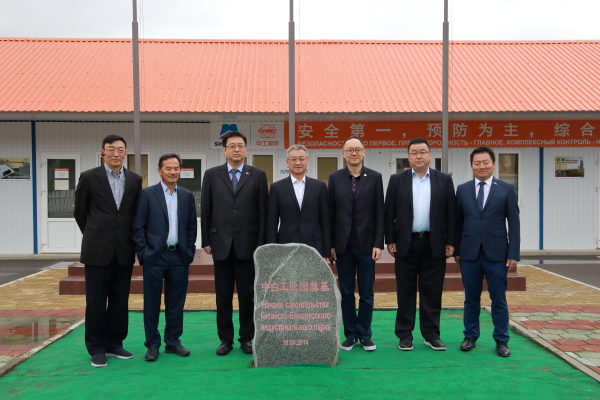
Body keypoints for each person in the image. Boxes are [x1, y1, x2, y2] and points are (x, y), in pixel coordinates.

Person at [74, 134, 142, 368]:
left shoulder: (135, 179)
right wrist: (95, 234)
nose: (116, 153)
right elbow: (80, 212)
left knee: (119, 300)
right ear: (102, 152)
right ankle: (96, 347)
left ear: (126, 153)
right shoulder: (89, 177)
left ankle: (115, 343)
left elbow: (133, 213)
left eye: (120, 150)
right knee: (95, 301)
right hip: (97, 249)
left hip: (123, 249)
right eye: (111, 149)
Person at [384, 137, 457, 351]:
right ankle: (405, 334)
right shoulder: (397, 180)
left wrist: (451, 241)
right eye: (414, 152)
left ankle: (431, 333)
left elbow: (451, 213)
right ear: (408, 156)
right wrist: (390, 239)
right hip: (405, 243)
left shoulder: (444, 180)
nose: (418, 156)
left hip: (435, 243)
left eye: (422, 152)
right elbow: (389, 212)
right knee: (405, 289)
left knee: (432, 290)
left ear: (429, 155)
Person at [201, 131, 268, 356]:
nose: (236, 149)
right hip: (220, 243)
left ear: (246, 150)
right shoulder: (212, 175)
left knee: (247, 296)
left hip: (248, 244)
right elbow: (206, 208)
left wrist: (261, 242)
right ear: (224, 150)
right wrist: (206, 239)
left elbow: (263, 212)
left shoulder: (258, 175)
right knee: (223, 296)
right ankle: (225, 339)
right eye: (232, 146)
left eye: (240, 145)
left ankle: (246, 338)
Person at [455, 146, 520, 357]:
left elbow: (514, 223)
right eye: (477, 163)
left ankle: (501, 340)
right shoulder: (463, 189)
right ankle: (470, 336)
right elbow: (457, 222)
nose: (481, 166)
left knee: (498, 299)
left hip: (497, 255)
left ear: (493, 164)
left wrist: (513, 253)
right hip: (469, 254)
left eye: (485, 162)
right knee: (470, 298)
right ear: (471, 166)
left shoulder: (506, 189)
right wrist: (457, 250)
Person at [132, 154, 197, 362]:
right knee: (152, 302)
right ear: (159, 171)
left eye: (176, 168)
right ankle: (152, 344)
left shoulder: (187, 195)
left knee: (176, 302)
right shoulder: (147, 194)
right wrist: (144, 253)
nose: (172, 172)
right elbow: (138, 227)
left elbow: (191, 227)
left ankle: (173, 341)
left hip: (179, 256)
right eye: (168, 168)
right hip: (154, 256)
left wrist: (189, 251)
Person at [328, 135, 384, 352]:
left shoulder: (375, 177)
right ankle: (350, 334)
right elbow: (330, 213)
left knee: (367, 294)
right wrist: (331, 245)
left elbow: (379, 212)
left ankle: (365, 334)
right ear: (343, 154)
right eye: (349, 150)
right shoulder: (335, 178)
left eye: (357, 149)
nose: (354, 153)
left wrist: (378, 243)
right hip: (343, 246)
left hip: (367, 246)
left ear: (363, 152)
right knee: (346, 293)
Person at [266, 144, 331, 260]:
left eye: (301, 159)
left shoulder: (319, 187)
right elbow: (272, 223)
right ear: (287, 162)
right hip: (286, 247)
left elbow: (325, 221)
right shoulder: (277, 188)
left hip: (314, 246)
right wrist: (272, 251)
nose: (298, 163)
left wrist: (326, 251)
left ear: (307, 161)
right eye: (293, 159)